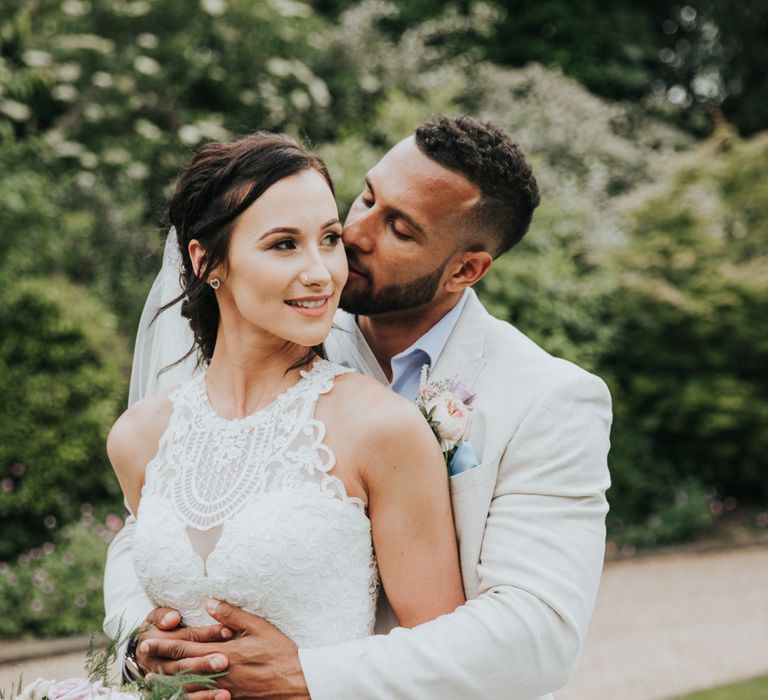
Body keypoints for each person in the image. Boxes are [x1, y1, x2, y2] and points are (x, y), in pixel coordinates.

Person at [104, 116, 612, 700]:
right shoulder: (275, 323)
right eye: (367, 196)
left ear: (465, 269)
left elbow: (536, 635)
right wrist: (141, 637)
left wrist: (308, 677)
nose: (354, 233)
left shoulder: (548, 399)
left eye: (399, 227)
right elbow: (155, 522)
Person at [104, 131, 465, 692]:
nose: (322, 272)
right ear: (206, 262)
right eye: (283, 245)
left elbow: (445, 661)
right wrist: (143, 651)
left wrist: (311, 680)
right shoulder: (139, 437)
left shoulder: (380, 429)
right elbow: (139, 599)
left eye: (328, 239)